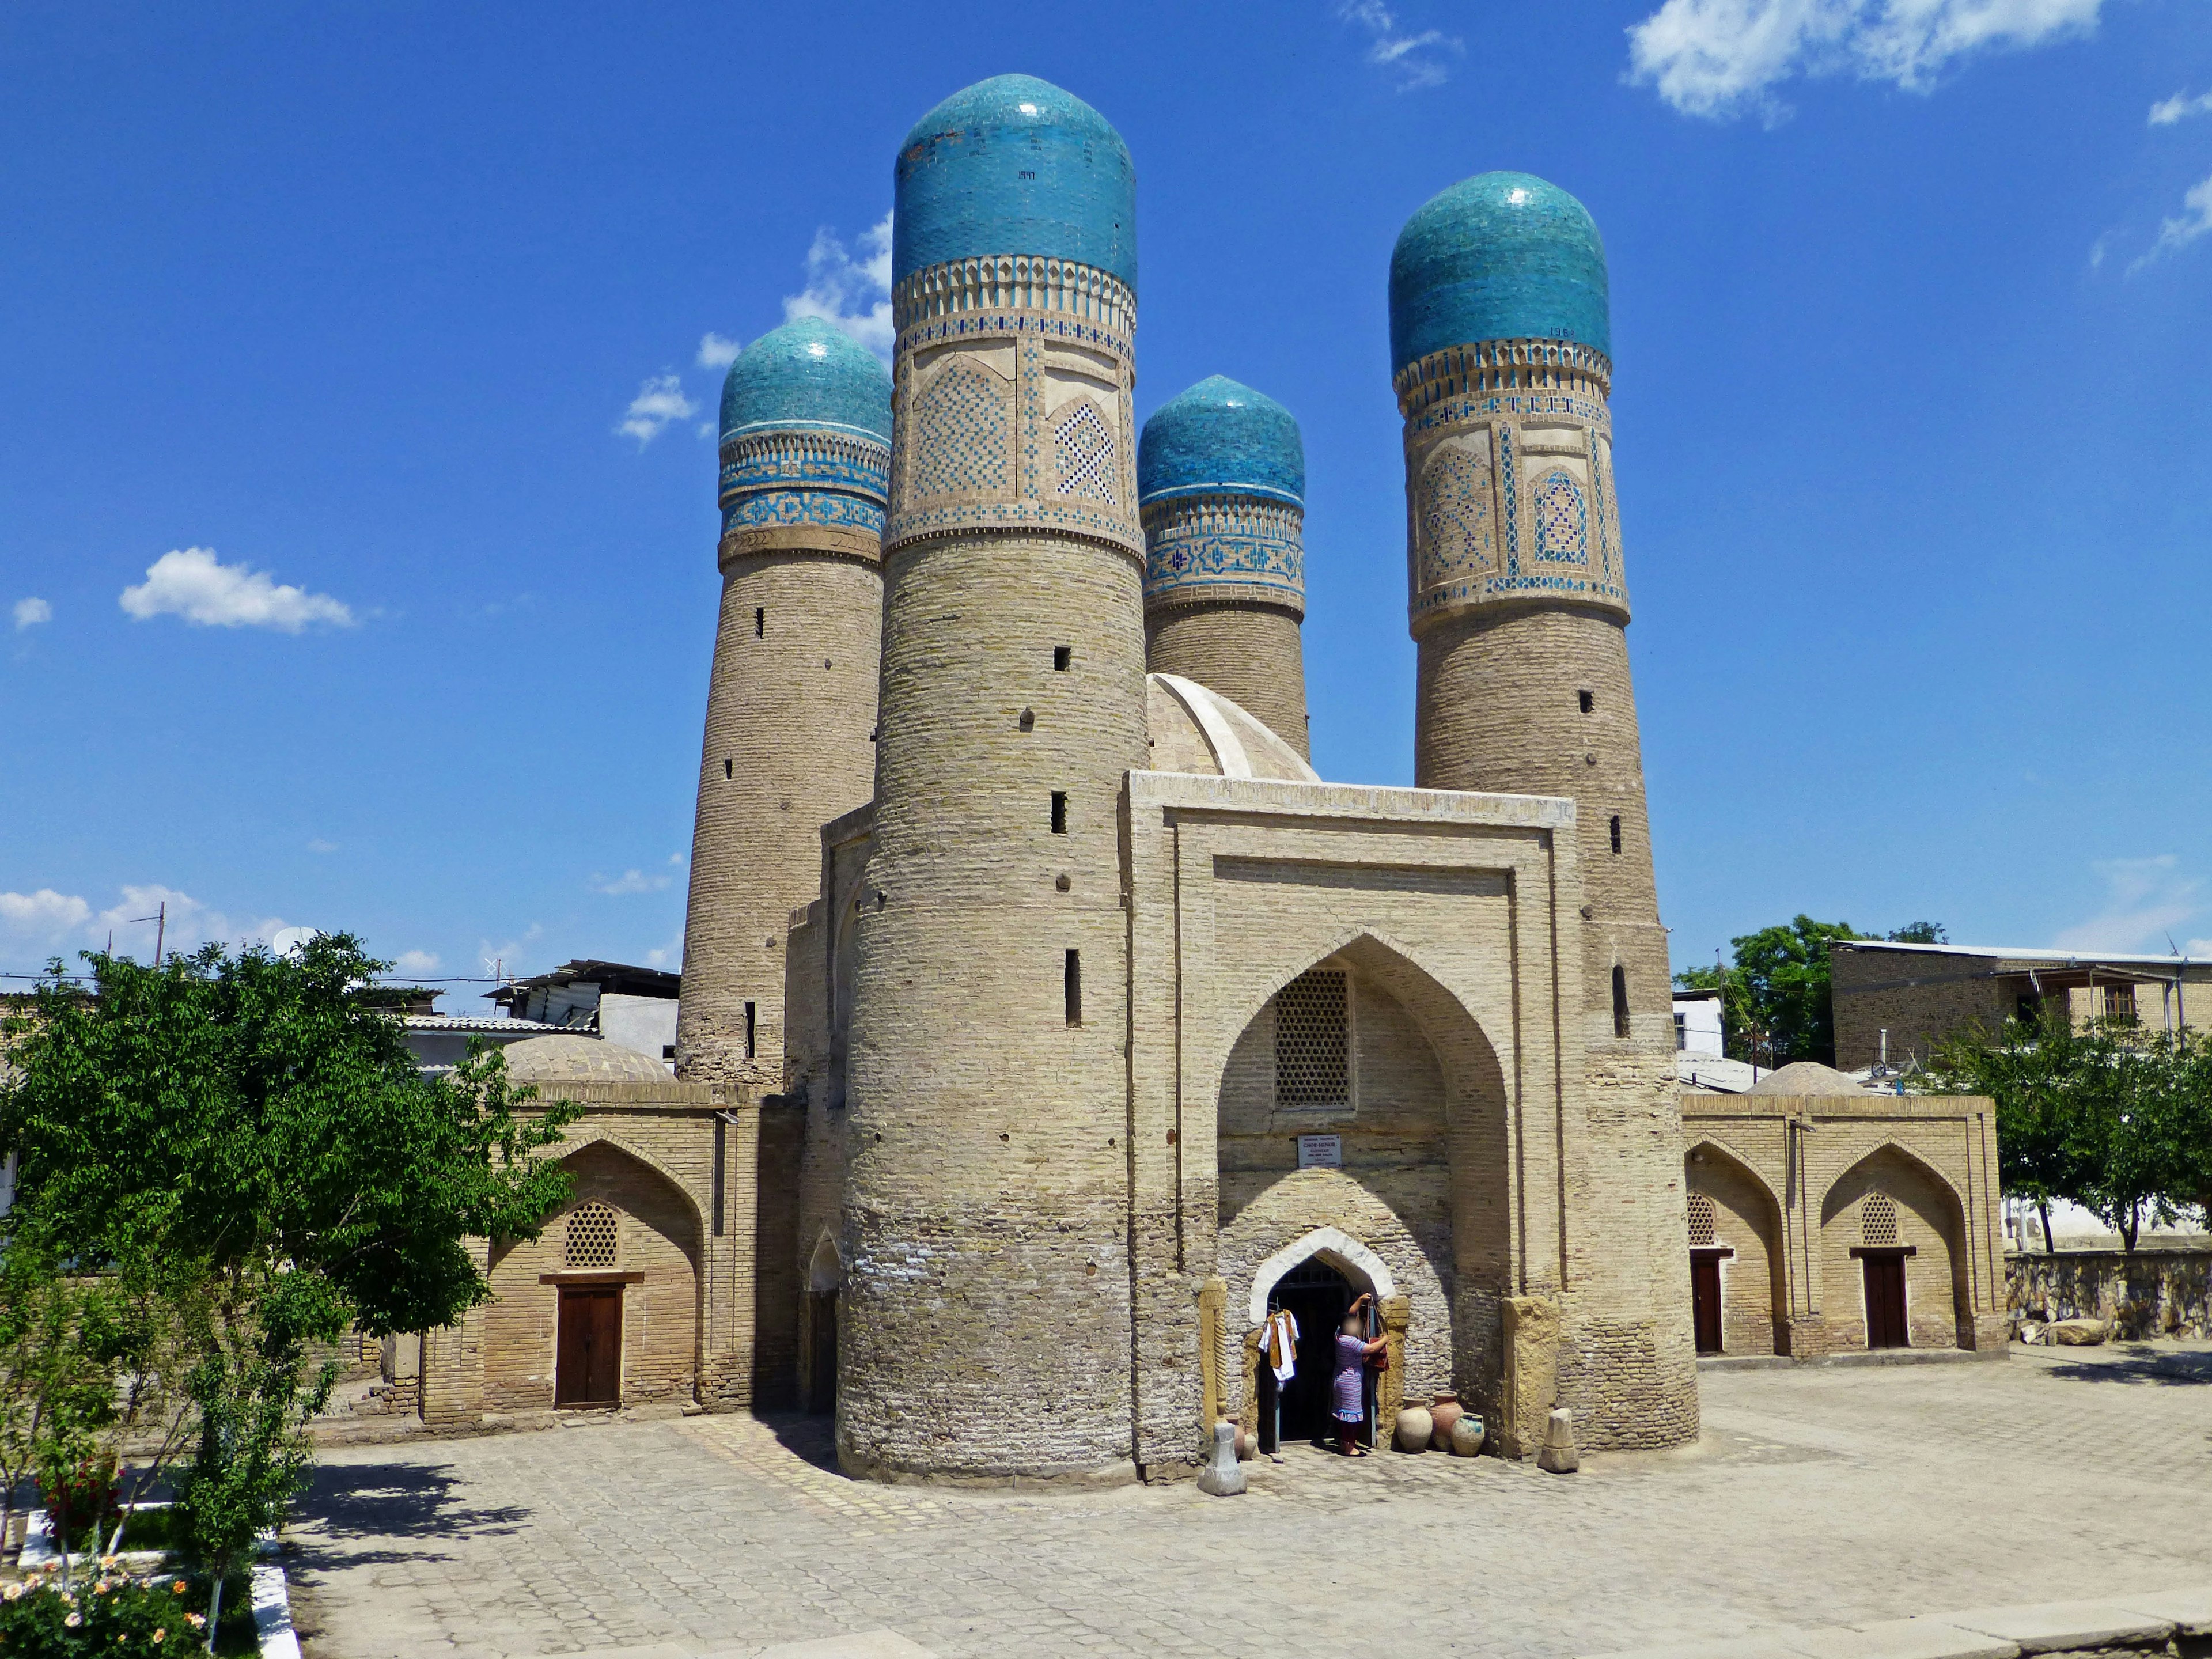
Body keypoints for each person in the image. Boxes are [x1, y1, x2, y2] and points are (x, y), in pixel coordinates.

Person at [1330, 1293, 1387, 1456]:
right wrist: (1385, 1339)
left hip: (1339, 1379)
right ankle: (1350, 1446)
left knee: (1343, 1414)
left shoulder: (1338, 1336)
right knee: (1351, 1417)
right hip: (1351, 1381)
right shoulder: (1350, 1342)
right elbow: (1371, 1349)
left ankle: (1343, 1443)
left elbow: (1351, 1313)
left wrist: (1360, 1299)